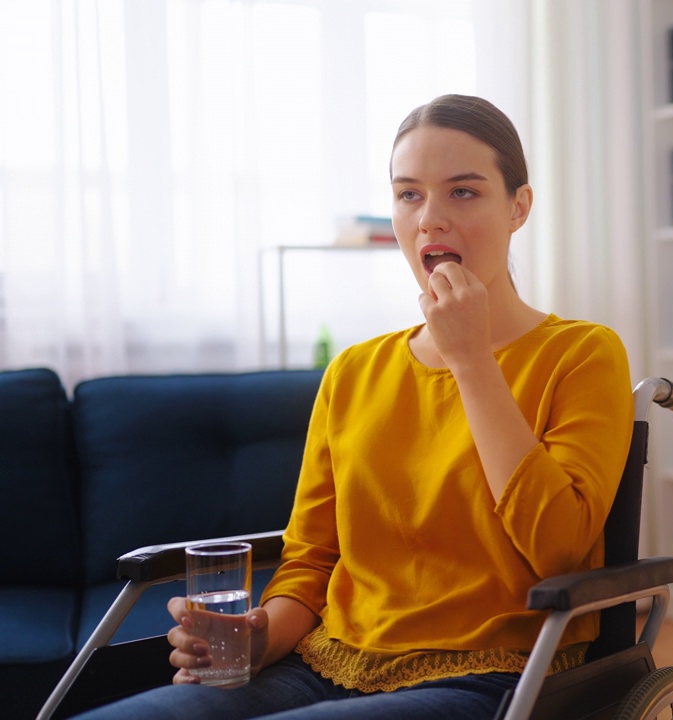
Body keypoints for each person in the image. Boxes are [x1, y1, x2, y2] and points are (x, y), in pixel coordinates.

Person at [73, 94, 634, 719]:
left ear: (518, 207)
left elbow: (559, 550)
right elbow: (311, 559)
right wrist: (259, 638)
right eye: (409, 195)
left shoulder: (582, 353)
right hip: (323, 665)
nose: (430, 220)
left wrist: (472, 360)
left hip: (491, 676)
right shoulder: (354, 371)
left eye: (464, 193)